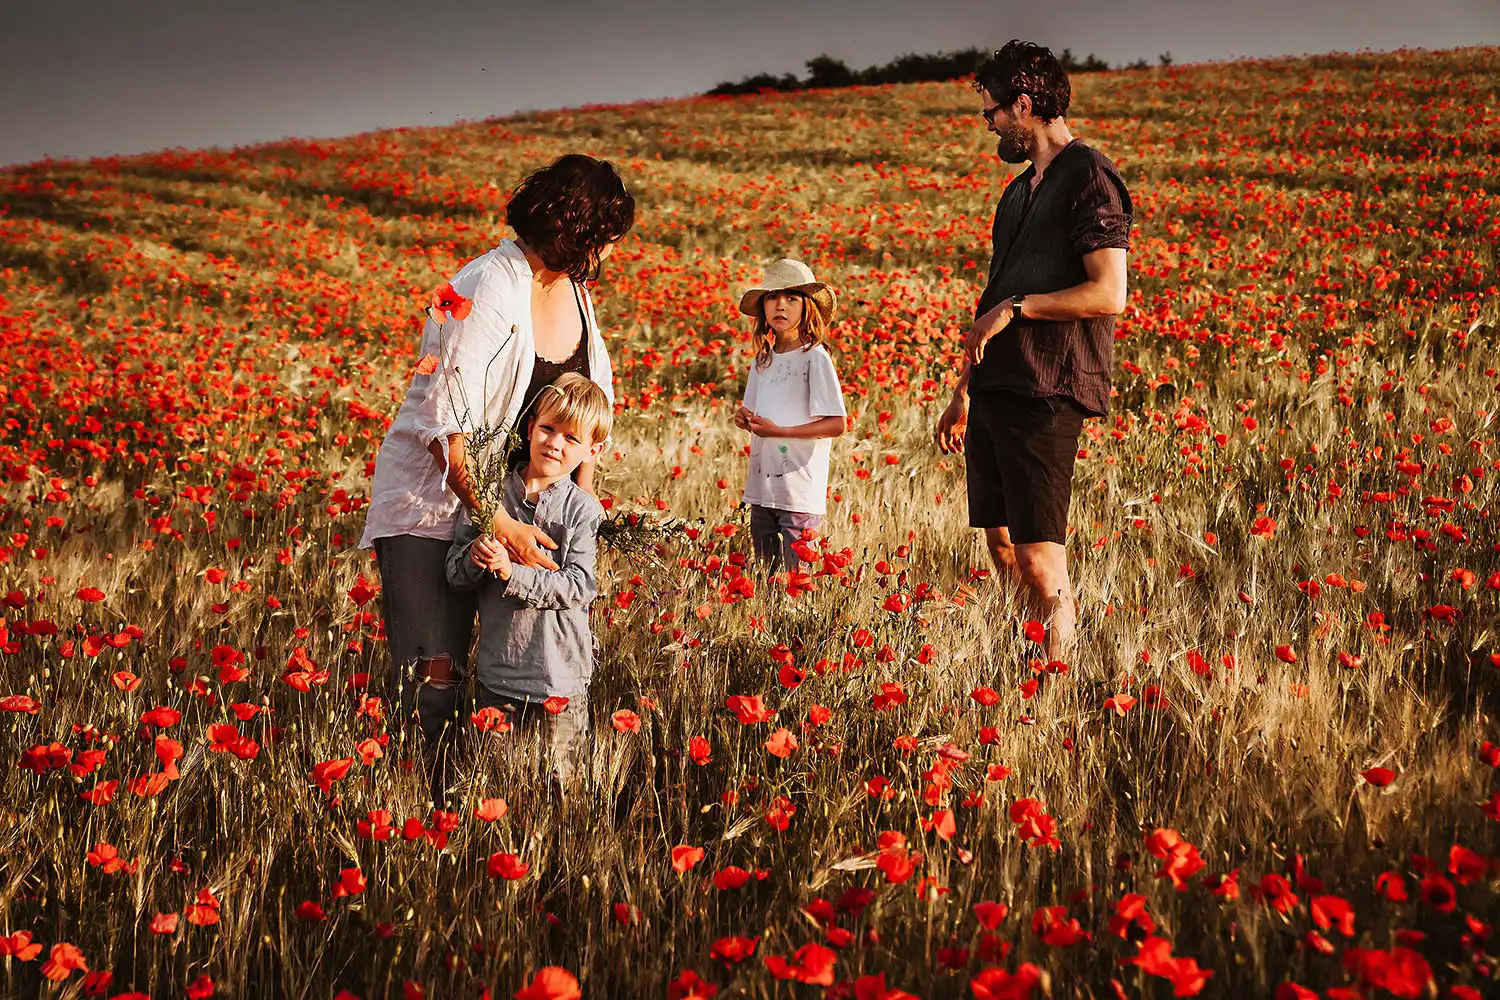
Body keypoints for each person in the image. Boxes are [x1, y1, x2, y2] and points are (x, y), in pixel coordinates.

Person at [358, 154, 633, 749]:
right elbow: (447, 431)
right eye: (607, 238)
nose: (610, 253)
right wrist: (501, 524)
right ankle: (423, 817)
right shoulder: (487, 283)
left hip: (524, 513)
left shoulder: (576, 295)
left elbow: (588, 415)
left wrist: (577, 517)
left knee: (514, 682)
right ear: (579, 229)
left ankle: (489, 804)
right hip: (433, 509)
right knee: (436, 681)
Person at [933, 41, 1132, 660]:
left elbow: (1109, 293)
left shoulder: (1089, 177)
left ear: (1024, 106)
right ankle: (1028, 660)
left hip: (1048, 387)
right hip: (996, 389)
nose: (988, 124)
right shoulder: (1017, 193)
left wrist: (1021, 309)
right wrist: (963, 393)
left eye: (991, 112)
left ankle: (1059, 683)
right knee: (999, 544)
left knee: (1041, 556)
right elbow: (993, 299)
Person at [445, 373, 610, 784]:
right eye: (548, 429)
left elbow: (579, 585)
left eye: (571, 438)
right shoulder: (491, 497)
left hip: (560, 678)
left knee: (561, 788)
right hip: (500, 675)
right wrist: (477, 557)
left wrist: (512, 572)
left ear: (594, 450)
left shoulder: (583, 512)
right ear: (531, 425)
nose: (555, 443)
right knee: (498, 785)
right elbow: (454, 575)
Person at [733, 258, 847, 574]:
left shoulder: (815, 358)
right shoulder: (762, 360)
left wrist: (779, 432)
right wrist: (744, 418)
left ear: (806, 308)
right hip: (762, 487)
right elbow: (755, 415)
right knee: (765, 579)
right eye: (772, 297)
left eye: (791, 298)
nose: (780, 305)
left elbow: (837, 424)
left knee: (797, 583)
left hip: (799, 491)